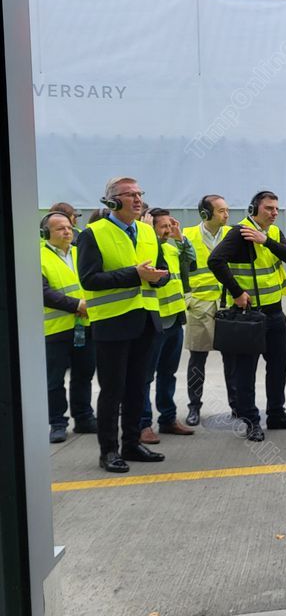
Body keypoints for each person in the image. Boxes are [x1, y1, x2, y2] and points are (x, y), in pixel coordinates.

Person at [77, 177, 169, 472]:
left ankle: (131, 443)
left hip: (146, 321)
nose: (138, 199)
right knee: (112, 390)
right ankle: (108, 451)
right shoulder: (93, 233)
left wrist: (159, 277)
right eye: (130, 195)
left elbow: (163, 270)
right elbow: (89, 279)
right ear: (112, 201)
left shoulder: (147, 231)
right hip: (112, 323)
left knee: (137, 388)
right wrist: (135, 274)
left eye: (140, 193)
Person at [208, 190, 286, 442]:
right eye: (268, 209)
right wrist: (236, 292)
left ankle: (276, 414)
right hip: (249, 315)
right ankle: (251, 420)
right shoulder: (239, 233)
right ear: (254, 210)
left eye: (276, 209)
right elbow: (215, 260)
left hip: (275, 311)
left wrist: (265, 241)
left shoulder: (272, 232)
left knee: (278, 368)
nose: (274, 213)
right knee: (246, 371)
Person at [139, 208, 195, 443]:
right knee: (144, 376)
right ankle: (143, 424)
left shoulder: (171, 248)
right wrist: (146, 235)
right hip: (153, 322)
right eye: (163, 226)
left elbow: (190, 262)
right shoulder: (144, 251)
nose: (168, 230)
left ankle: (168, 419)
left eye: (170, 226)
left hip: (173, 320)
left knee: (167, 373)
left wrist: (180, 237)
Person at [40, 211, 96, 443]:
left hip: (85, 326)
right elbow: (43, 292)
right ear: (46, 233)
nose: (67, 231)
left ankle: (83, 418)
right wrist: (76, 305)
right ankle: (57, 423)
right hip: (56, 329)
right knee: (54, 381)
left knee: (84, 374)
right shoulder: (38, 257)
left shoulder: (79, 252)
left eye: (68, 227)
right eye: (60, 228)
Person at [181, 194, 236, 426]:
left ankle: (236, 405)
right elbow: (180, 271)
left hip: (229, 304)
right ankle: (194, 406)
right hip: (200, 306)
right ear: (205, 214)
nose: (226, 215)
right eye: (221, 211)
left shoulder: (232, 234)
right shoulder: (187, 236)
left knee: (232, 359)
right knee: (197, 359)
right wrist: (189, 300)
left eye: (227, 210)